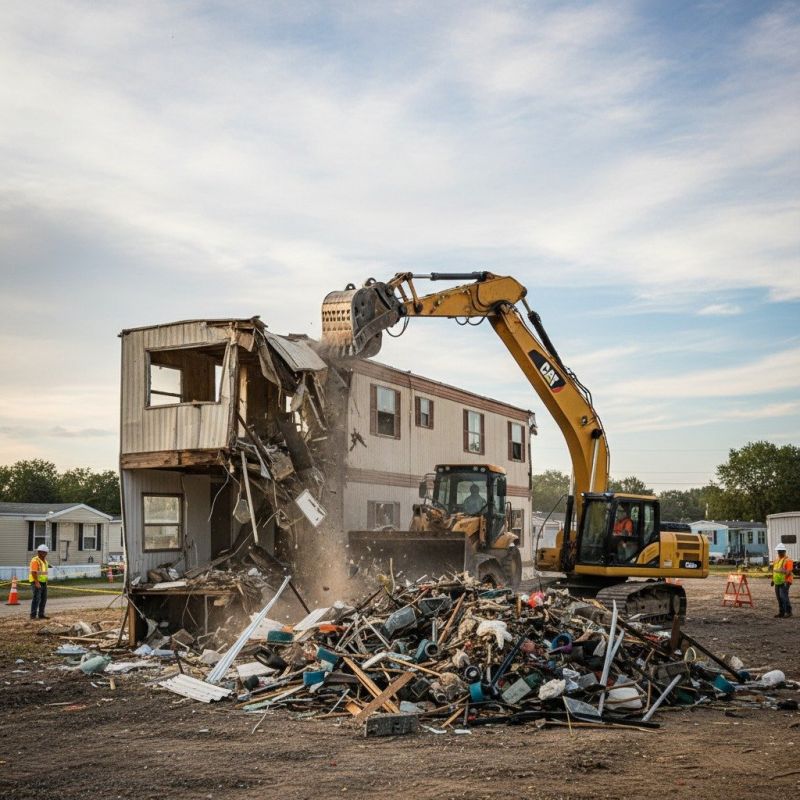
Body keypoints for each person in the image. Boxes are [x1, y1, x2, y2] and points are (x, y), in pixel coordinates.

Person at [771, 543, 794, 618]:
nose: (779, 553)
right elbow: (774, 571)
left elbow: (788, 571)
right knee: (779, 597)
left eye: (780, 551)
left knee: (783, 596)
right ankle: (781, 612)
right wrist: (773, 580)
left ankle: (788, 612)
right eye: (778, 551)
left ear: (784, 551)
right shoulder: (776, 560)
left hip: (785, 581)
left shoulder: (788, 560)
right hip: (777, 581)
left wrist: (785, 579)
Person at [30, 544, 50, 620]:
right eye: (44, 552)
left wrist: (46, 581)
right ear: (39, 552)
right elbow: (34, 572)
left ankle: (41, 614)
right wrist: (36, 582)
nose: (45, 554)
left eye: (46, 552)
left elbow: (44, 572)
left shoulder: (45, 561)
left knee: (43, 599)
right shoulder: (35, 560)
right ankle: (33, 615)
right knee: (36, 599)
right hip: (36, 582)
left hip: (43, 582)